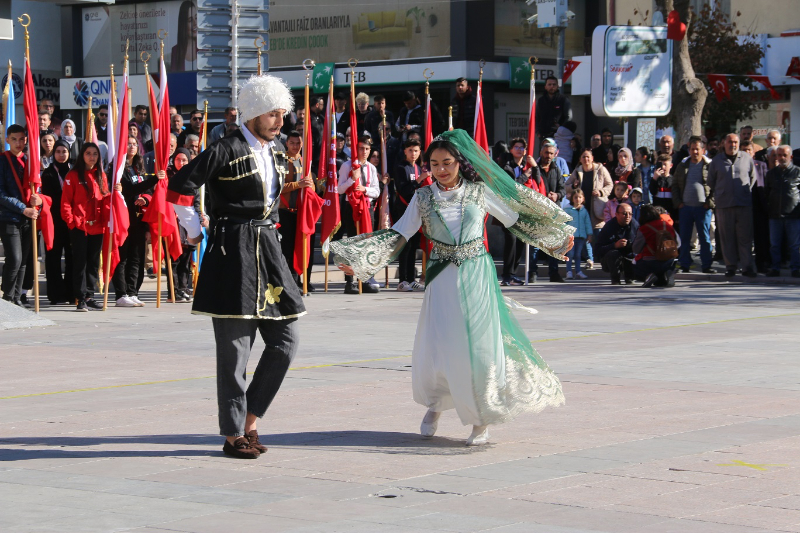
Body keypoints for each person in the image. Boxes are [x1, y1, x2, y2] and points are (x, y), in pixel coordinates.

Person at [331, 129, 573, 446]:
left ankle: (480, 418)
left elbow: (515, 217)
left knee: (480, 351)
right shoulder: (422, 198)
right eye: (434, 164)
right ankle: (435, 405)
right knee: (441, 348)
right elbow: (399, 234)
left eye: (447, 162)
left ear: (459, 161)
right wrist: (360, 259)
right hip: (442, 280)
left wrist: (554, 239)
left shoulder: (479, 192)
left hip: (478, 278)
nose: (441, 169)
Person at [168, 74, 305, 459]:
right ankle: (233, 433)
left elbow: (274, 198)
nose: (279, 121)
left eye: (282, 113)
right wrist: (193, 230)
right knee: (235, 352)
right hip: (233, 253)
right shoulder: (224, 149)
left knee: (287, 341)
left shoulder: (278, 151)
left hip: (269, 252)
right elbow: (179, 188)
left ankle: (251, 417)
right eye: (271, 114)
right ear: (252, 113)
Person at [111, 136, 164, 307]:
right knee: (123, 257)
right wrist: (155, 178)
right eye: (128, 143)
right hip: (124, 218)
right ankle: (121, 293)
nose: (132, 146)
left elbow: (146, 190)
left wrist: (146, 200)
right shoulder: (118, 169)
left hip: (140, 219)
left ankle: (132, 292)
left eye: (134, 144)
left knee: (136, 257)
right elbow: (130, 189)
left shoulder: (138, 168)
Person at [61, 143, 113, 311]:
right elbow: (66, 202)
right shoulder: (73, 175)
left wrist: (114, 194)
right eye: (88, 153)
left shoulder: (101, 175)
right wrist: (71, 222)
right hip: (79, 226)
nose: (92, 157)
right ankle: (80, 297)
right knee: (80, 262)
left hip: (97, 226)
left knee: (93, 262)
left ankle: (90, 295)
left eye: (95, 154)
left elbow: (105, 197)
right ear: (82, 155)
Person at [0, 125, 42, 307]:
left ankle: (17, 297)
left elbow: (38, 188)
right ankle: (7, 297)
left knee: (24, 261)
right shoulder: (2, 161)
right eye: (14, 139)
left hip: (28, 217)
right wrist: (22, 209)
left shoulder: (30, 161)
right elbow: (0, 193)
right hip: (9, 217)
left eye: (22, 139)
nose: (18, 143)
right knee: (15, 258)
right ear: (7, 140)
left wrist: (38, 200)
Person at [707, 133, 757, 277]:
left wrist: (743, 191)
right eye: (730, 142)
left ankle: (747, 266)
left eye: (735, 142)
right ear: (724, 143)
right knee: (726, 237)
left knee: (745, 237)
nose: (732, 145)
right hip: (724, 205)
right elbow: (711, 181)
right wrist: (722, 192)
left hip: (743, 204)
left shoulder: (747, 158)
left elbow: (752, 178)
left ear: (739, 143)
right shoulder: (716, 161)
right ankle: (730, 266)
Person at [338, 135, 382, 294]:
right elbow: (339, 189)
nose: (364, 151)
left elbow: (376, 191)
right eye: (361, 148)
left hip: (367, 208)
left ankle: (364, 279)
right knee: (351, 244)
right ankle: (350, 282)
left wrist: (364, 189)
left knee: (366, 244)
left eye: (367, 149)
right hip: (351, 206)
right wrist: (352, 180)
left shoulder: (371, 168)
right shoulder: (346, 166)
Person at [277, 131, 318, 290]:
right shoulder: (281, 161)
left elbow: (311, 188)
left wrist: (310, 186)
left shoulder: (305, 162)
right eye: (292, 143)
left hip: (303, 212)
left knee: (304, 246)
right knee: (288, 248)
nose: (295, 146)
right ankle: (291, 281)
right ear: (287, 144)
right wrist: (297, 185)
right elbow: (277, 187)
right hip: (286, 211)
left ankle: (304, 280)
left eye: (298, 143)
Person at [565, 148, 614, 269]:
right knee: (585, 235)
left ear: (592, 158)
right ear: (580, 159)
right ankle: (589, 259)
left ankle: (601, 259)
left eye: (588, 157)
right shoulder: (578, 171)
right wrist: (573, 186)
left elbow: (610, 184)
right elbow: (566, 186)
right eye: (583, 157)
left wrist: (601, 192)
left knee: (598, 234)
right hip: (582, 207)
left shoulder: (601, 169)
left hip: (597, 207)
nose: (586, 159)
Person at [392, 138, 429, 291]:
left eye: (416, 151)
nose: (413, 154)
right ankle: (402, 280)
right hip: (403, 210)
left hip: (416, 211)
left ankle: (411, 278)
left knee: (414, 245)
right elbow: (404, 190)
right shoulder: (401, 167)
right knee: (405, 245)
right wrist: (420, 180)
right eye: (410, 151)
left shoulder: (419, 169)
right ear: (405, 151)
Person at [499, 137, 538, 285]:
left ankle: (513, 273)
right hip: (508, 209)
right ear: (511, 149)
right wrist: (525, 175)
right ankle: (506, 275)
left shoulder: (526, 166)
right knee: (511, 239)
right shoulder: (506, 166)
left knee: (521, 240)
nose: (519, 150)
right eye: (516, 147)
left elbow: (538, 183)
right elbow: (511, 186)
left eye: (522, 147)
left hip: (524, 209)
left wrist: (535, 168)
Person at [40, 140, 74, 305]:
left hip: (71, 221)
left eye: (64, 151)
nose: (61, 155)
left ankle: (71, 292)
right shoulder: (47, 173)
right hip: (53, 221)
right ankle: (55, 294)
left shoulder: (73, 172)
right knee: (53, 258)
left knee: (72, 258)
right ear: (54, 154)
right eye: (58, 151)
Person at [168, 148, 203, 302]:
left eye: (184, 160)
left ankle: (182, 288)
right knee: (174, 258)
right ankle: (173, 291)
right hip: (173, 222)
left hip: (187, 222)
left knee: (186, 259)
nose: (181, 163)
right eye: (178, 160)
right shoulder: (169, 178)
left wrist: (199, 218)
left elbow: (196, 201)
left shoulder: (192, 178)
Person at [532, 143, 567, 282]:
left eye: (551, 154)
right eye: (546, 153)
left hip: (553, 211)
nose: (548, 156)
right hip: (538, 211)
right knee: (535, 243)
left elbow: (563, 189)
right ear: (541, 152)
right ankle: (532, 272)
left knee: (554, 244)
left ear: (555, 155)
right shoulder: (535, 168)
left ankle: (554, 273)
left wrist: (557, 195)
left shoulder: (556, 169)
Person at [764, 145, 800, 277]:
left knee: (794, 245)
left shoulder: (798, 172)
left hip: (793, 215)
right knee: (774, 245)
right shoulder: (771, 173)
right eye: (779, 155)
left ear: (791, 157)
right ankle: (775, 268)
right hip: (775, 215)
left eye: (784, 155)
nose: (781, 158)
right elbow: (767, 193)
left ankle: (795, 269)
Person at [742, 140, 770, 273]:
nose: (747, 153)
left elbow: (765, 186)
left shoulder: (761, 165)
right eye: (744, 150)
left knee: (761, 237)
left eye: (749, 150)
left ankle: (761, 263)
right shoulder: (737, 165)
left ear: (753, 152)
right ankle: (746, 265)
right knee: (745, 238)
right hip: (743, 206)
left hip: (759, 206)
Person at [633, 204, 678, 288]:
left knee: (634, 266)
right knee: (660, 283)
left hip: (650, 262)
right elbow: (677, 243)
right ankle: (667, 273)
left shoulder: (644, 229)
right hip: (669, 260)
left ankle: (649, 275)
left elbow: (636, 249)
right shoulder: (668, 225)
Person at [596, 203, 639, 285]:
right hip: (610, 260)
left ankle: (630, 277)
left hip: (629, 257)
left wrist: (629, 244)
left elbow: (640, 245)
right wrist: (614, 245)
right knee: (614, 254)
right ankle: (615, 279)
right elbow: (598, 250)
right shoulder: (608, 227)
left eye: (630, 214)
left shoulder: (635, 225)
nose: (628, 216)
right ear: (616, 214)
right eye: (624, 213)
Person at [564, 190, 592, 280]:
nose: (577, 199)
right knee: (570, 254)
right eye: (575, 197)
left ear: (583, 198)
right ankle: (569, 271)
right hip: (570, 236)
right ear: (572, 198)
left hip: (581, 236)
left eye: (580, 197)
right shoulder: (567, 210)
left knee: (578, 255)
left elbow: (587, 223)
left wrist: (589, 234)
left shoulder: (584, 211)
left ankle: (578, 271)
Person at [536, 76, 572, 143]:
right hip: (544, 135)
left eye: (554, 84)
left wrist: (561, 128)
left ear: (558, 86)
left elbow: (568, 117)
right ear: (545, 86)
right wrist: (538, 132)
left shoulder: (563, 99)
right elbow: (536, 117)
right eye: (549, 84)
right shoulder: (540, 101)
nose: (552, 86)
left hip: (558, 135)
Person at [170, 0, 198, 72]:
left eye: (196, 18)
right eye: (190, 20)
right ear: (184, 24)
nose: (195, 23)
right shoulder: (175, 51)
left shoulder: (204, 49)